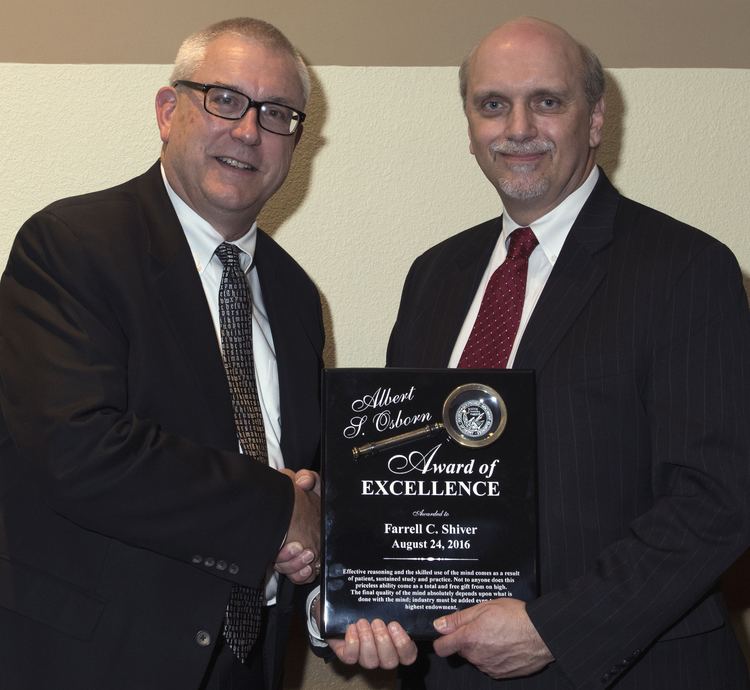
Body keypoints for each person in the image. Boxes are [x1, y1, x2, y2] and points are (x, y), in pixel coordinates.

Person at [330, 17, 750, 688]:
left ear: (595, 119)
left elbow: (719, 498)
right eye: (492, 104)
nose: (517, 127)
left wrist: (558, 629)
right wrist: (367, 609)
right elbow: (398, 476)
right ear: (470, 127)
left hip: (630, 671)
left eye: (547, 101)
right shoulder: (434, 277)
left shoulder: (686, 269)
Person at [0, 17, 323, 690]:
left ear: (297, 143)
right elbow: (79, 452)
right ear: (167, 111)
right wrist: (277, 510)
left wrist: (326, 557)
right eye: (224, 99)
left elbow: (305, 481)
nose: (248, 131)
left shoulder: (295, 297)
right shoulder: (71, 246)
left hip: (247, 666)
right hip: (92, 666)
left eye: (277, 114)